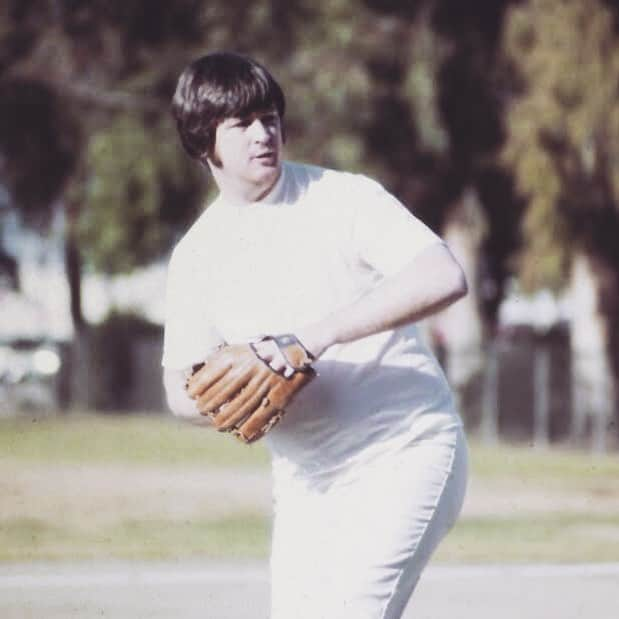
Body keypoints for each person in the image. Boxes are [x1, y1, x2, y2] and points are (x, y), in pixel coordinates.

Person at [163, 51, 469, 619]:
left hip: (405, 448)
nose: (264, 133)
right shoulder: (196, 256)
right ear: (204, 141)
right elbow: (178, 391)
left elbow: (444, 275)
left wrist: (311, 338)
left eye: (271, 116)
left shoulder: (342, 198)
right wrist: (229, 387)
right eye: (242, 124)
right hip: (308, 480)